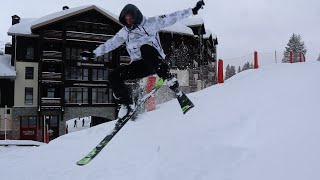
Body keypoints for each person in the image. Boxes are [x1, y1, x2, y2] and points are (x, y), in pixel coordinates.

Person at [81, 1, 205, 119]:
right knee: (114, 76)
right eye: (127, 20)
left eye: (131, 18)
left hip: (154, 61)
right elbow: (111, 44)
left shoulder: (151, 23)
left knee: (145, 48)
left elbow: (172, 17)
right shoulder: (124, 32)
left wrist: (193, 10)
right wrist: (94, 53)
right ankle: (127, 104)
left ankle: (169, 79)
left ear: (137, 16)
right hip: (140, 66)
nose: (129, 22)